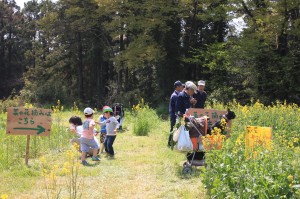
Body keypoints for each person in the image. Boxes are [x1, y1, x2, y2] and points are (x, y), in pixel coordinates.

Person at [168, 81, 184, 146]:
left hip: (176, 114)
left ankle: (173, 143)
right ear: (177, 87)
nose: (182, 87)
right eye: (181, 86)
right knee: (173, 128)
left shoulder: (178, 94)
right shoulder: (175, 95)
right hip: (174, 115)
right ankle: (170, 143)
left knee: (177, 128)